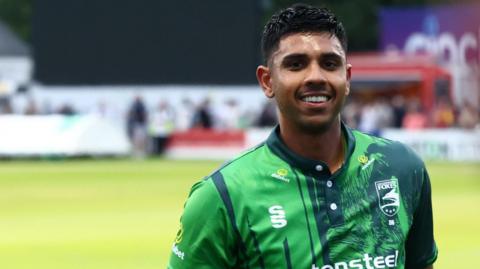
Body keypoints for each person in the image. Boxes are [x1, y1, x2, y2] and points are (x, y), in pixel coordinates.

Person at [168, 4, 437, 269]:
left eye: (330, 64)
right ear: (267, 81)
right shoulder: (221, 196)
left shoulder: (401, 168)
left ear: (347, 77)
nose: (315, 77)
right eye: (296, 65)